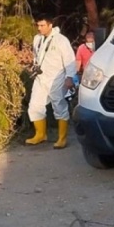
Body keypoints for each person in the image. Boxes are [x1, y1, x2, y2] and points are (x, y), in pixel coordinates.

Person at [26, 14, 77, 149]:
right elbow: (37, 56)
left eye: (42, 25)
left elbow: (69, 59)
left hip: (57, 78)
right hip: (41, 78)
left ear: (50, 25)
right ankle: (40, 134)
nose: (39, 28)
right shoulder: (37, 39)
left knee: (59, 106)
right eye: (38, 25)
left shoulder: (61, 40)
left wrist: (69, 77)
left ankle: (62, 138)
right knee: (35, 106)